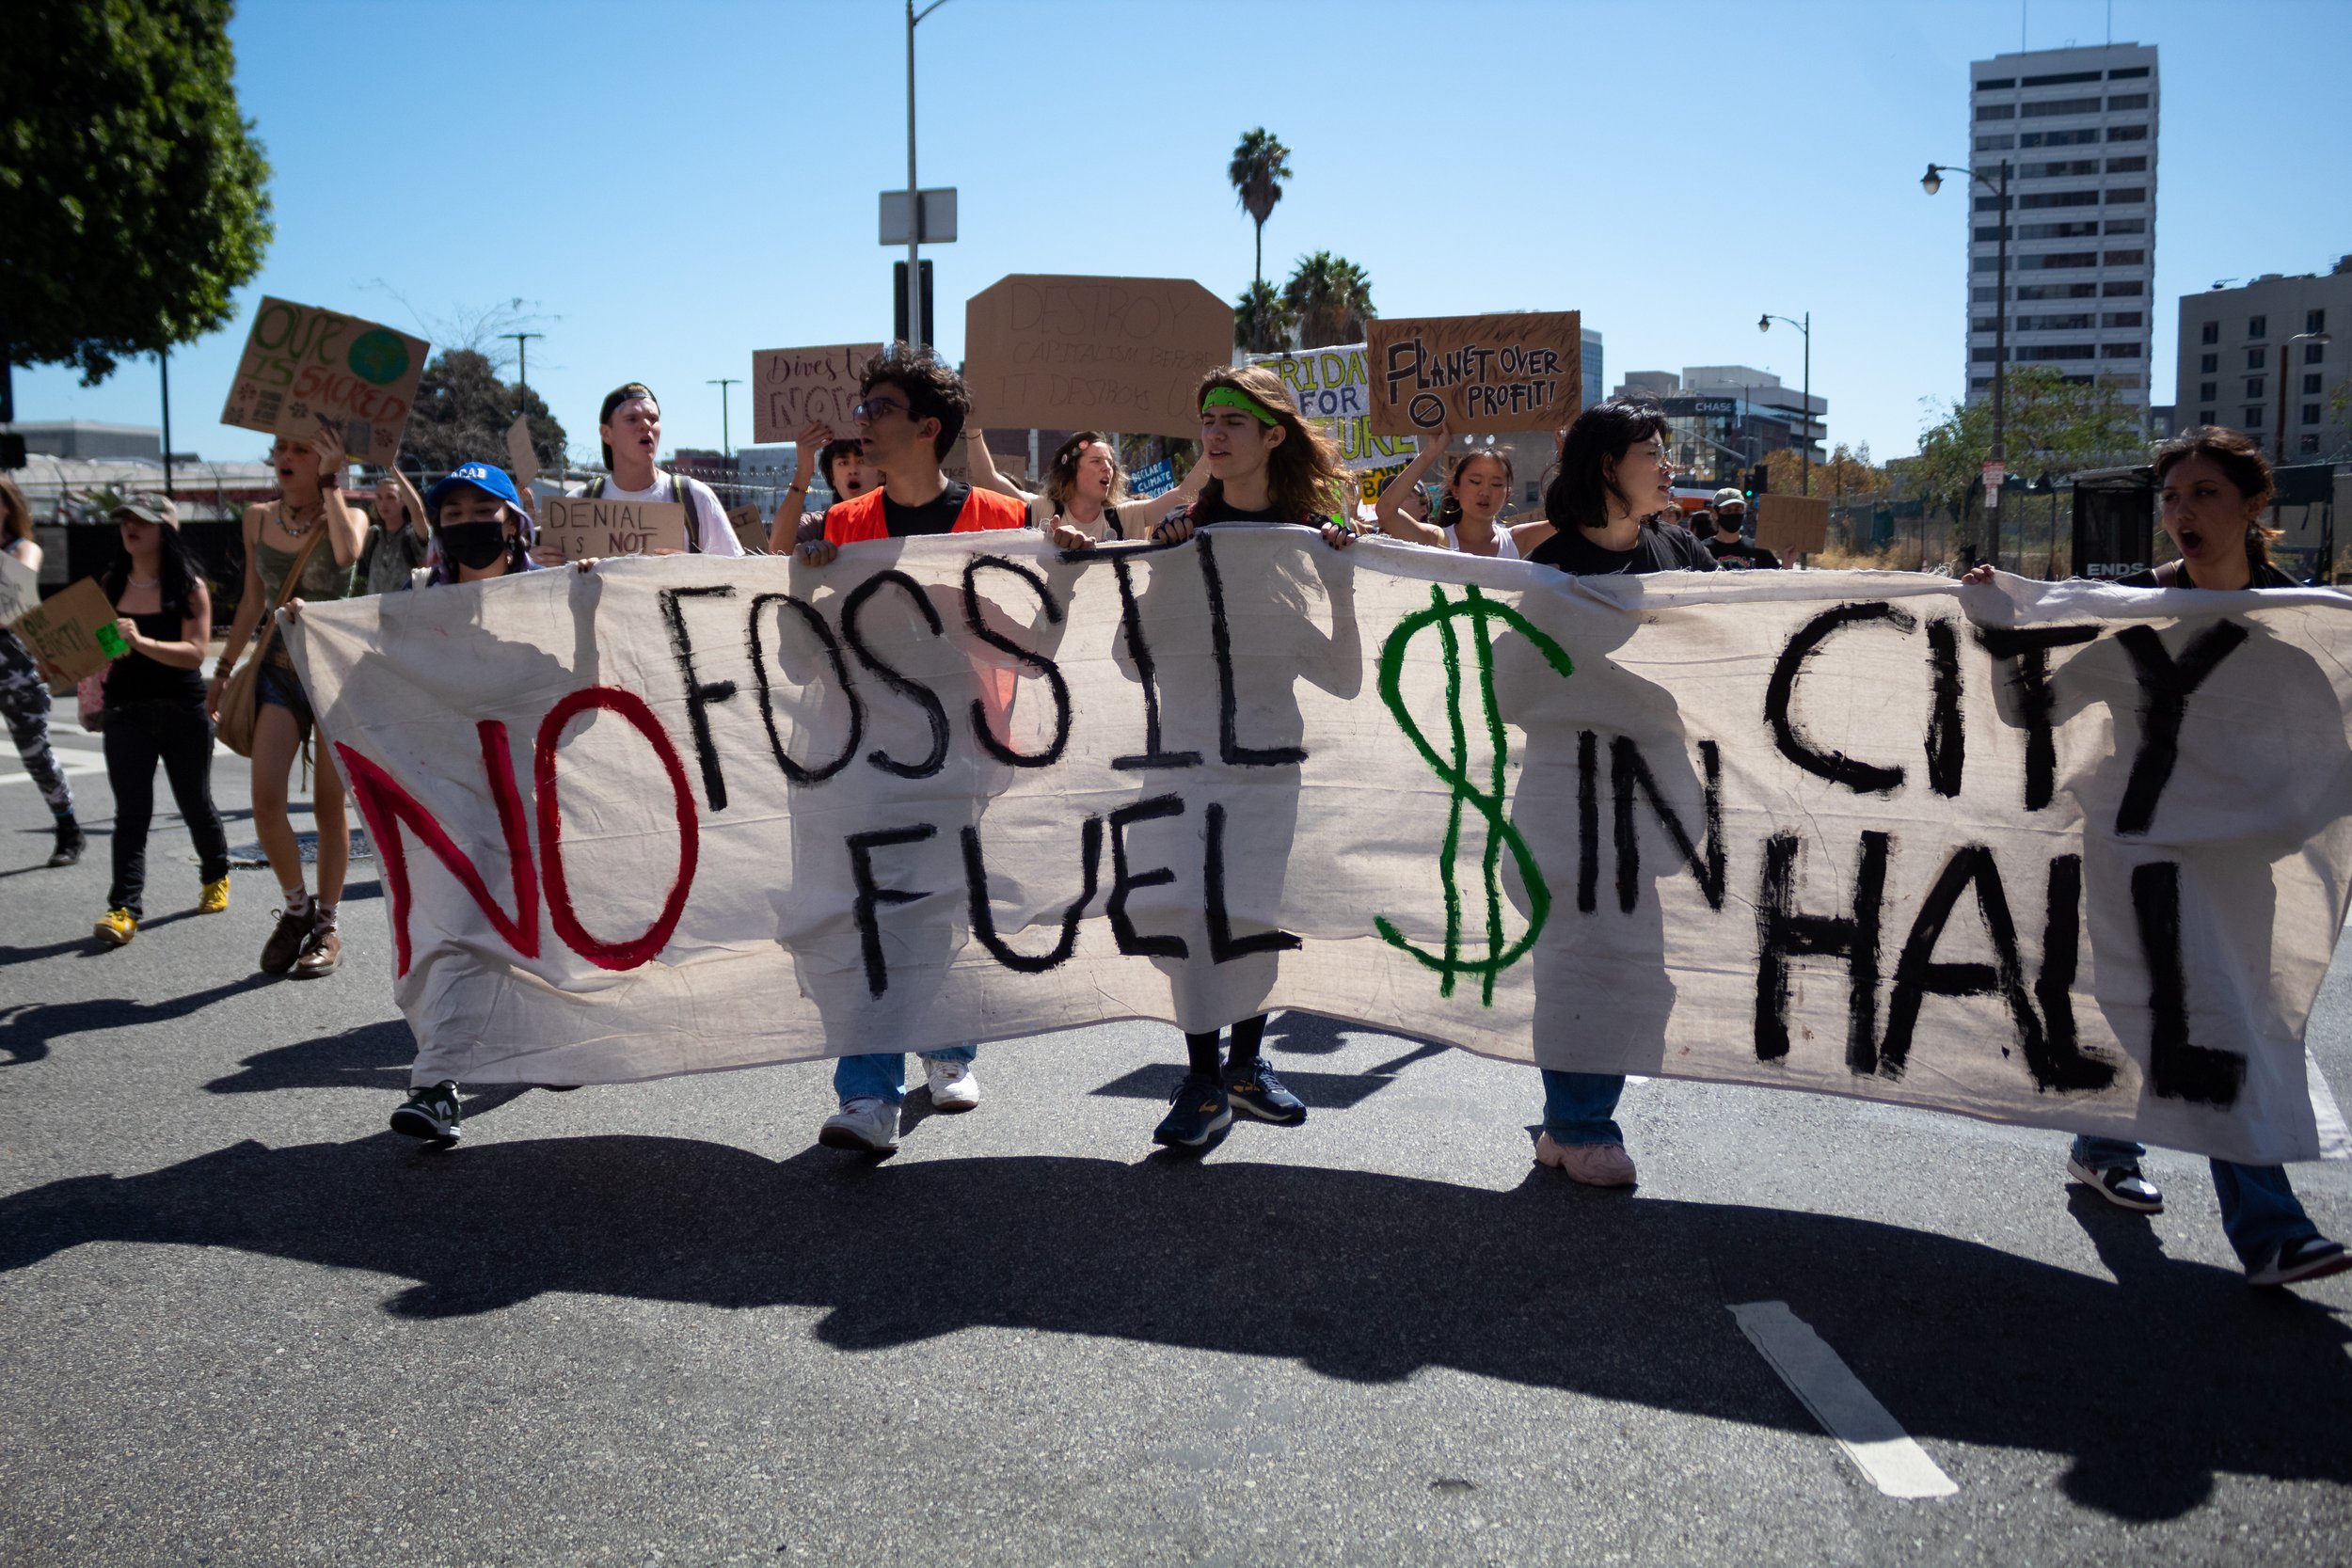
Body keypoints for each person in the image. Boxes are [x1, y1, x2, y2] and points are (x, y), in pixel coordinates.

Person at [1965, 426, 2349, 1288]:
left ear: (2255, 507)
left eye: (2205, 494)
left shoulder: (2299, 627)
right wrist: (1998, 630)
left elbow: (2327, 758)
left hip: (2242, 867)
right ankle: (2273, 1229)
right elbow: (2038, 711)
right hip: (2138, 855)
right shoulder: (2132, 611)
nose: (2183, 513)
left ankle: (2103, 1144)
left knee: (2175, 1011)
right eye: (2172, 497)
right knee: (2211, 1024)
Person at [795, 345, 1028, 1153]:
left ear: (928, 429)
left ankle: (949, 1047)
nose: (862, 422)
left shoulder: (1002, 520)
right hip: (861, 747)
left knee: (936, 907)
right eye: (863, 409)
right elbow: (797, 652)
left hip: (963, 746)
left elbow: (1038, 635)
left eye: (880, 410)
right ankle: (867, 1094)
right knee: (871, 912)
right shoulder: (836, 528)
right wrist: (803, 580)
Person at [1145, 364, 1358, 1151]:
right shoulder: (1181, 532)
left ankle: (1244, 1067)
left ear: (1273, 434)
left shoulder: (1304, 544)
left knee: (1254, 919)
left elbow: (1342, 678)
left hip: (1270, 765)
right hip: (1186, 763)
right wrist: (1164, 570)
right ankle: (1199, 1079)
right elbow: (1129, 659)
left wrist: (1341, 582)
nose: (1215, 432)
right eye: (1207, 418)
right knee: (1193, 921)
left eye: (1232, 419)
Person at [1522, 398, 1715, 1187]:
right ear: (1607, 465)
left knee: (1634, 966)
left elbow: (1722, 660)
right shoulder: (1550, 571)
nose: (1667, 465)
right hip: (1567, 795)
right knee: (1581, 958)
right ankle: (1579, 1121)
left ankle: (1573, 1117)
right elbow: (1513, 689)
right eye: (1651, 452)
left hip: (1653, 797)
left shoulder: (1680, 550)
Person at [379, 461, 548, 1143]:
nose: (468, 525)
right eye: (452, 516)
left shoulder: (550, 596)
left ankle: (551, 1036)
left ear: (514, 523)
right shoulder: (418, 602)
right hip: (455, 804)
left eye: (484, 511)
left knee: (542, 934)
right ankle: (437, 1082)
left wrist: (593, 606)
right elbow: (372, 684)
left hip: (540, 801)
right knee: (462, 932)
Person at [207, 417, 367, 978]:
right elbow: (253, 599)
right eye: (280, 447)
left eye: (301, 449)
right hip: (278, 670)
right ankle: (296, 909)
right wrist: (223, 671)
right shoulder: (256, 519)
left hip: (334, 675)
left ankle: (328, 925)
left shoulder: (350, 514)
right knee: (266, 800)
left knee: (329, 807)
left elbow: (348, 559)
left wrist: (332, 484)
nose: (286, 456)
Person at [83, 494, 232, 945]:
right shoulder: (110, 584)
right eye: (125, 520)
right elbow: (105, 649)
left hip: (182, 711)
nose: (130, 527)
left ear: (164, 530)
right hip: (125, 711)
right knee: (131, 814)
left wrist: (141, 641)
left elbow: (194, 654)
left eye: (142, 521)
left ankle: (215, 875)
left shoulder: (190, 587)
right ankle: (123, 909)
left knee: (195, 803)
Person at [0, 476, 83, 865]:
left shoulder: (23, 548)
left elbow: (13, 593)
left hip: (17, 669)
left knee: (35, 753)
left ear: (7, 508)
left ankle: (68, 828)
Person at [965, 426, 1205, 546]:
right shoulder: (1042, 510)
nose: (1107, 469)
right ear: (1072, 469)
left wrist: (1214, 447)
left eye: (1111, 464)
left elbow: (1185, 493)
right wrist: (973, 429)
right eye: (1097, 461)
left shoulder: (1124, 517)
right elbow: (988, 480)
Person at [582, 383, 745, 557]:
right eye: (631, 419)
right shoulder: (579, 504)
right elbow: (553, 579)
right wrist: (554, 564)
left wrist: (691, 567)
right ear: (606, 433)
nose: (646, 425)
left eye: (653, 419)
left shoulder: (696, 498)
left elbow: (737, 574)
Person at [1371, 428, 1538, 560]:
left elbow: (1563, 524)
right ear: (1455, 489)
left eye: (1496, 484)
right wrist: (1430, 453)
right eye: (1475, 482)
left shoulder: (1515, 542)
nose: (1485, 492)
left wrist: (1564, 457)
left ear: (1507, 494)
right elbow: (1386, 511)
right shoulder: (1438, 542)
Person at [766, 424, 874, 554]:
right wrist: (804, 471)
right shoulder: (817, 526)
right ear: (832, 476)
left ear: (882, 473)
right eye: (843, 463)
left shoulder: (896, 518)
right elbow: (778, 551)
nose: (853, 471)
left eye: (861, 461)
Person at [362, 467, 433, 594]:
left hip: (407, 610)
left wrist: (392, 467)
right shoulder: (373, 535)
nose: (383, 504)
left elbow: (417, 512)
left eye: (391, 497)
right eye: (379, 497)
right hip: (375, 610)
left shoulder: (412, 535)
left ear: (403, 501)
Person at [1702, 487, 1779, 569]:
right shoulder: (1703, 551)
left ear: (1744, 511)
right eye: (1727, 510)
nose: (1733, 514)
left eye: (1738, 509)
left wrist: (1788, 561)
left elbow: (1780, 579)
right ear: (1715, 513)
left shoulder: (1759, 549)